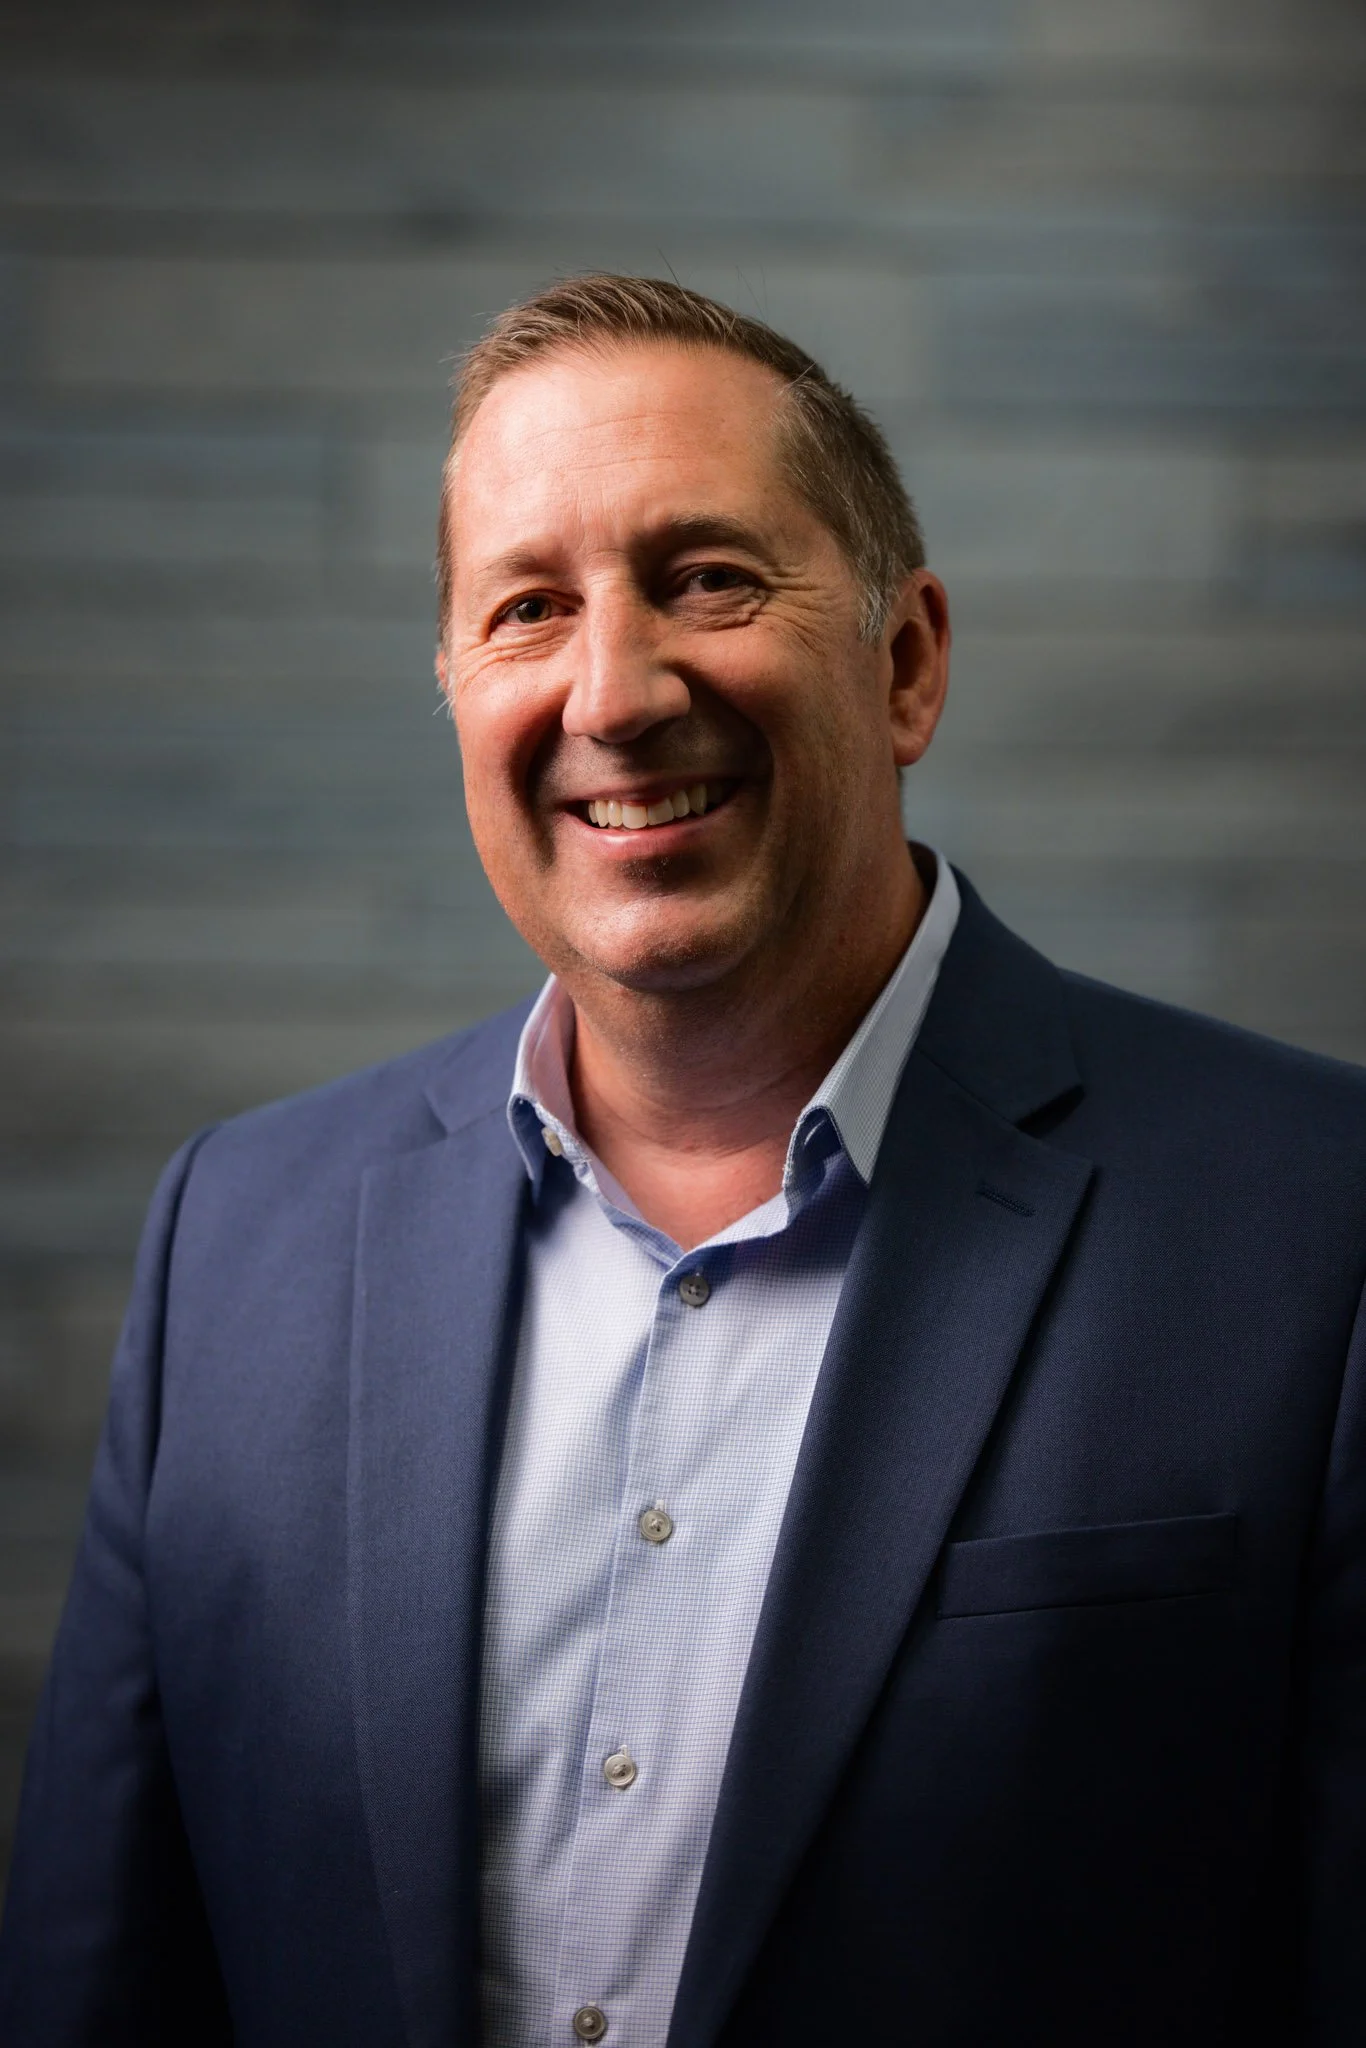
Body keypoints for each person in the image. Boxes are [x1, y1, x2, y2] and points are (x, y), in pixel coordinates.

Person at [1, 274, 1363, 2048]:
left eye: (708, 580)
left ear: (904, 662)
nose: (615, 691)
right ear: (454, 688)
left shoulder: (1313, 1229)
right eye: (528, 609)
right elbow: (100, 1984)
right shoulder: (234, 1245)